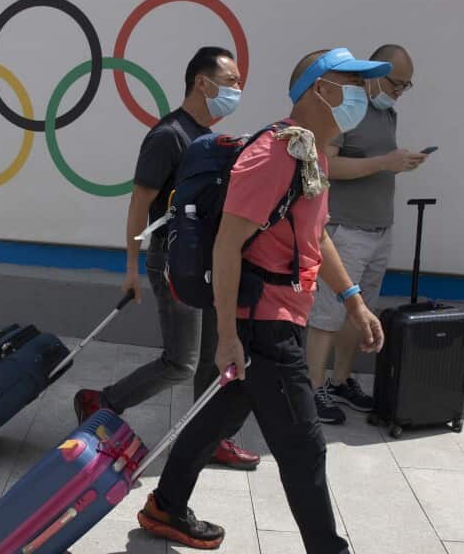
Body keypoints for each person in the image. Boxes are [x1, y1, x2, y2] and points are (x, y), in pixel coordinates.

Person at [137, 48, 387, 552]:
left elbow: (316, 236)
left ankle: (165, 506)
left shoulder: (309, 153)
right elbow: (227, 244)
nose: (363, 96)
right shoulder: (274, 154)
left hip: (278, 317)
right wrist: (228, 337)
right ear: (320, 89)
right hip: (263, 326)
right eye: (353, 84)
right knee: (303, 447)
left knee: (218, 419)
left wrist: (353, 300)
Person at [73, 46, 260, 470]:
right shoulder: (168, 136)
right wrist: (131, 268)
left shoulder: (207, 138)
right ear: (202, 83)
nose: (237, 89)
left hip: (208, 263)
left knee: (213, 360)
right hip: (173, 263)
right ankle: (102, 401)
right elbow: (139, 203)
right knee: (181, 362)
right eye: (231, 81)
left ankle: (211, 439)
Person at [307, 44, 424, 424]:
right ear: (374, 75)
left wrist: (397, 163)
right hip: (345, 229)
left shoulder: (387, 113)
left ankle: (340, 381)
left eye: (406, 86)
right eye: (395, 84)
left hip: (378, 228)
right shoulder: (349, 110)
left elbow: (375, 162)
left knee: (358, 314)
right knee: (327, 313)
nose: (399, 92)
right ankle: (311, 390)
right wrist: (384, 163)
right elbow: (326, 164)